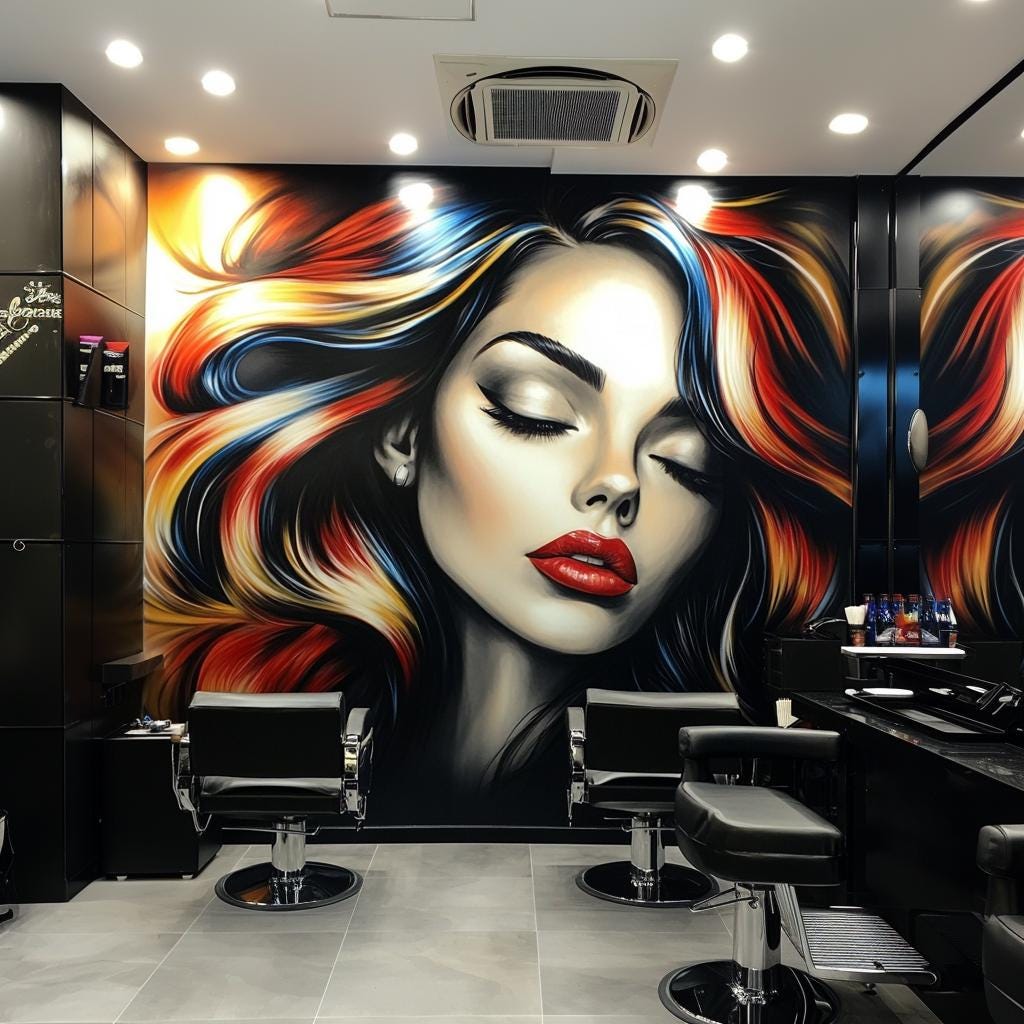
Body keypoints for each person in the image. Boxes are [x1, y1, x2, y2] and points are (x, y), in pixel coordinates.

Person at [146, 177, 850, 822]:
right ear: (403, 438)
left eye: (684, 462)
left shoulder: (697, 729)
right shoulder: (295, 694)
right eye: (535, 409)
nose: (618, 482)